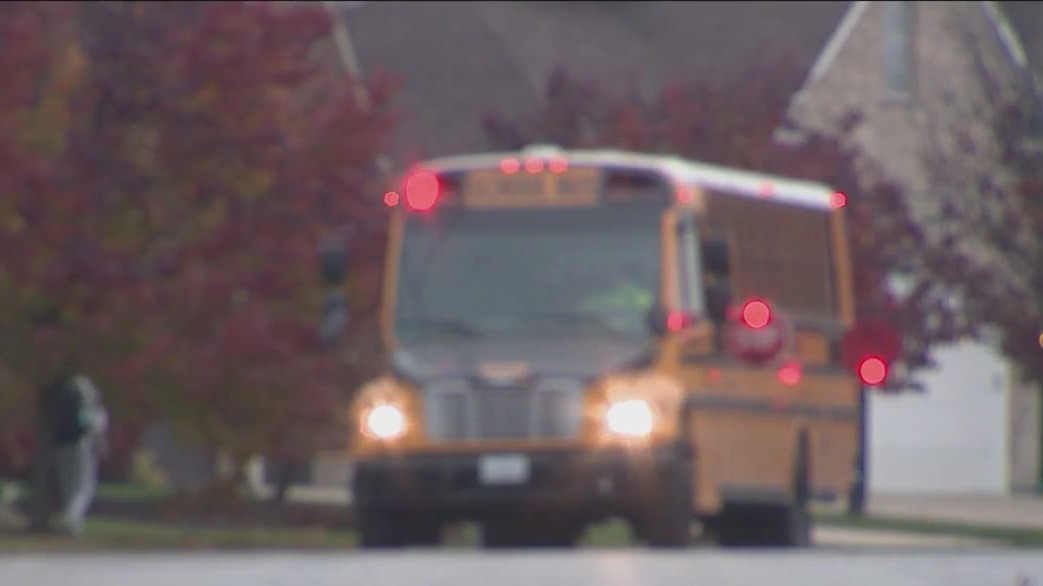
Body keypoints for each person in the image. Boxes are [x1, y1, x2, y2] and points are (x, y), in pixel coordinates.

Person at [47, 370, 108, 537]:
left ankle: (71, 520)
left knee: (68, 486)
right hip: (80, 446)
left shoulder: (61, 400)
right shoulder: (86, 404)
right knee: (84, 485)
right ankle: (71, 518)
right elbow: (92, 426)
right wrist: (101, 444)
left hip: (60, 446)